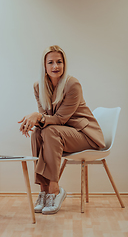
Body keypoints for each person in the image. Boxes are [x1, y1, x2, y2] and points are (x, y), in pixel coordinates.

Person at [18, 45, 105, 215]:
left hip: (84, 135)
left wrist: (37, 116)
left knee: (50, 131)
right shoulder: (38, 86)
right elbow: (44, 118)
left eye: (59, 62)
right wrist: (32, 121)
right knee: (37, 132)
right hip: (60, 135)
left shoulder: (72, 84)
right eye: (50, 62)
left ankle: (54, 189)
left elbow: (60, 119)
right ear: (44, 65)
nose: (55, 66)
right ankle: (43, 191)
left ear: (64, 64)